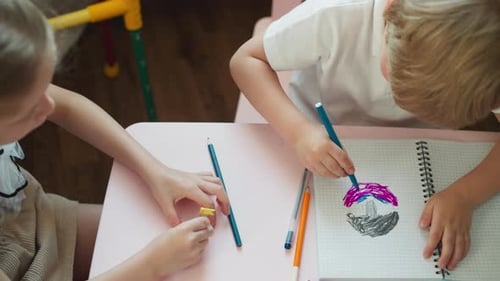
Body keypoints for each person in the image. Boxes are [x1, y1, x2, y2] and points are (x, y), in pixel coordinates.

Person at [230, 0, 500, 271]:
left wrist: (465, 195)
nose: (399, 103)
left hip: (417, 151)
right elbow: (246, 60)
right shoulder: (335, 13)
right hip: (316, 135)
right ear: (390, 13)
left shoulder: (489, 58)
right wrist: (299, 133)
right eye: (393, 80)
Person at [0, 1, 230, 280]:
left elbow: (68, 106)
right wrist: (152, 264)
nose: (50, 106)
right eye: (33, 107)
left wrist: (156, 171)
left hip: (42, 221)